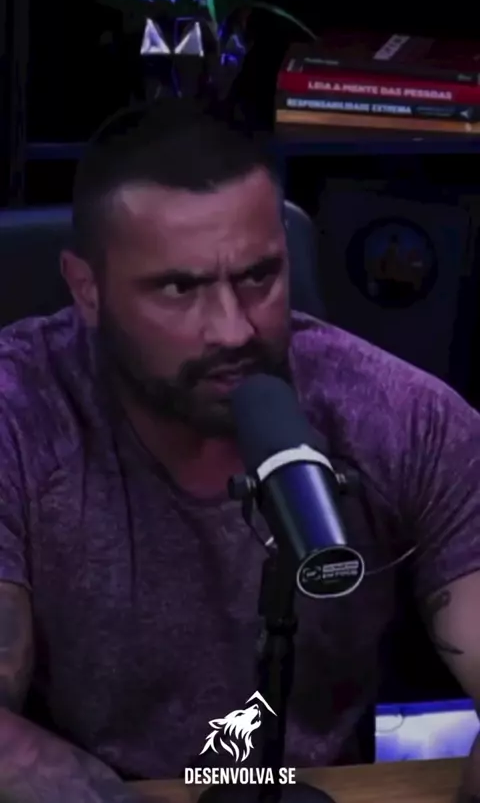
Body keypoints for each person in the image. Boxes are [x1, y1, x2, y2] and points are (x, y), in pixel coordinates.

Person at [0, 100, 479, 803]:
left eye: (259, 277)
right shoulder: (19, 413)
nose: (232, 330)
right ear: (87, 290)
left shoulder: (404, 419)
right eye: (179, 287)